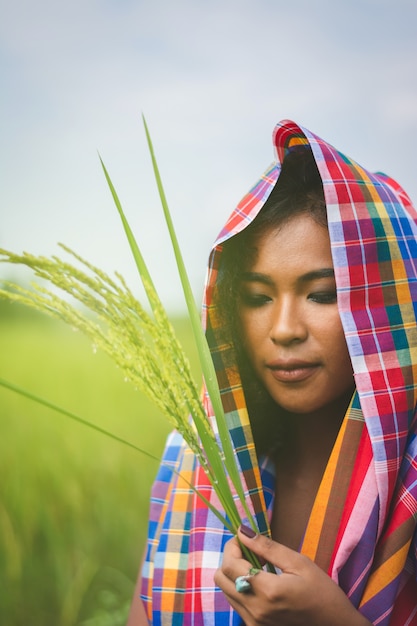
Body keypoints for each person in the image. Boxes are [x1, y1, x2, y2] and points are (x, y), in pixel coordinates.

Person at [127, 120, 417, 625]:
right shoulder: (197, 459)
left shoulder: (408, 484)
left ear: (385, 310)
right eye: (258, 297)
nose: (283, 329)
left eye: (323, 294)